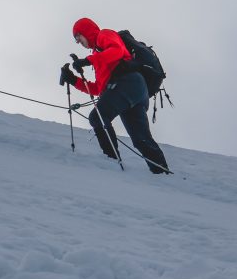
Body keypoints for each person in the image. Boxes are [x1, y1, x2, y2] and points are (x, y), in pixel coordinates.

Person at [60, 17, 169, 174]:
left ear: (86, 31)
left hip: (128, 83)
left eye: (78, 36)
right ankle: (162, 173)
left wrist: (88, 61)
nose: (78, 42)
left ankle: (111, 161)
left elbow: (117, 51)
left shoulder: (104, 35)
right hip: (135, 92)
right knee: (140, 139)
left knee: (97, 118)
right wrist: (73, 79)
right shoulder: (98, 55)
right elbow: (98, 88)